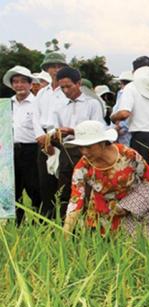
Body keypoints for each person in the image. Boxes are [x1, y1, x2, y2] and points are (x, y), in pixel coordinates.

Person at [62, 121, 149, 237]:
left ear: (102, 143)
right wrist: (65, 234)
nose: (84, 152)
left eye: (89, 147)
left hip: (135, 211)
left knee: (142, 248)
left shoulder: (128, 155)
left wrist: (133, 205)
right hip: (103, 217)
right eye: (81, 148)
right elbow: (75, 201)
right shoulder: (82, 167)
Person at [40, 66, 105, 217]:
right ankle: (66, 223)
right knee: (65, 188)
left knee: (89, 186)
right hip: (66, 150)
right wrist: (55, 133)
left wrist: (73, 131)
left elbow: (98, 128)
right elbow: (51, 127)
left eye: (69, 86)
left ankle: (91, 221)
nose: (66, 91)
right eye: (62, 87)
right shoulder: (58, 106)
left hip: (88, 151)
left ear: (78, 83)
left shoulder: (92, 104)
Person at [111, 61, 149, 195]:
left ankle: (140, 212)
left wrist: (113, 117)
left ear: (134, 71)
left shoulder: (132, 87)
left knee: (140, 177)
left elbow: (124, 113)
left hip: (141, 138)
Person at [3, 66, 42, 223]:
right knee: (14, 188)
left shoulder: (36, 103)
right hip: (11, 151)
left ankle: (38, 221)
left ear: (30, 84)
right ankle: (17, 222)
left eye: (23, 82)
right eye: (15, 82)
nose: (19, 85)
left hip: (31, 150)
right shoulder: (7, 103)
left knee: (34, 187)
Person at [34, 52, 68, 218]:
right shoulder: (42, 93)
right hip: (43, 140)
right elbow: (35, 117)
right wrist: (41, 137)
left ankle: (64, 220)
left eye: (59, 66)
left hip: (63, 140)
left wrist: (53, 138)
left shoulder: (67, 91)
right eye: (52, 66)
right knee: (45, 183)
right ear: (46, 69)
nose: (56, 70)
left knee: (62, 183)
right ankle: (48, 221)